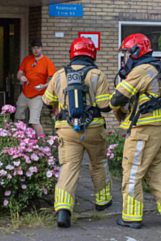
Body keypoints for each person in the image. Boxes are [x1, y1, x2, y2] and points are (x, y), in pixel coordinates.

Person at [42, 37, 115, 228]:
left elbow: (47, 101)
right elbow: (104, 105)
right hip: (93, 129)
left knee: (68, 166)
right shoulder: (97, 74)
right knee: (98, 163)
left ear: (72, 54)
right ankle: (102, 201)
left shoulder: (59, 75)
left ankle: (63, 210)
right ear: (92, 54)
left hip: (66, 129)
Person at [109, 33, 161, 228]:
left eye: (126, 53)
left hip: (145, 129)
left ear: (135, 51)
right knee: (156, 169)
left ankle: (131, 217)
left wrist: (112, 102)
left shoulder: (141, 70)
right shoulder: (156, 66)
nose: (125, 57)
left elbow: (117, 98)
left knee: (132, 172)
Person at [16, 40, 56, 134]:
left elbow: (54, 79)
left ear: (41, 49)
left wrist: (44, 85)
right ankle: (18, 139)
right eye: (34, 48)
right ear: (31, 49)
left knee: (34, 122)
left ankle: (42, 141)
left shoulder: (47, 62)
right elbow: (19, 73)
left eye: (38, 48)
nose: (36, 50)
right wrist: (21, 77)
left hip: (38, 95)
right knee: (18, 119)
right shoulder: (27, 59)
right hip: (24, 94)